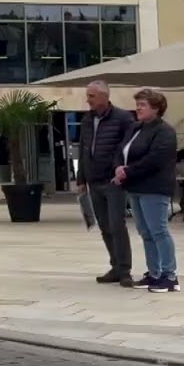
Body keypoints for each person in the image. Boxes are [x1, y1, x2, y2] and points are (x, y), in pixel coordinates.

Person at [113, 88, 179, 293]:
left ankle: (170, 276)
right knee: (145, 232)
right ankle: (154, 273)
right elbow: (121, 149)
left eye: (143, 105)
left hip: (154, 186)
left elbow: (155, 159)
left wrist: (127, 171)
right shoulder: (135, 128)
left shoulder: (164, 131)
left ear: (156, 108)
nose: (138, 108)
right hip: (135, 186)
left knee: (158, 230)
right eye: (137, 104)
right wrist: (118, 167)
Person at [76, 80, 135, 287]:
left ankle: (125, 270)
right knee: (105, 226)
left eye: (91, 96)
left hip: (113, 181)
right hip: (93, 181)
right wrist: (81, 178)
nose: (88, 100)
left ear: (104, 96)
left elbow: (128, 148)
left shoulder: (123, 118)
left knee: (117, 225)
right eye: (88, 95)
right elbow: (83, 149)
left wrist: (120, 170)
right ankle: (115, 266)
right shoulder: (87, 120)